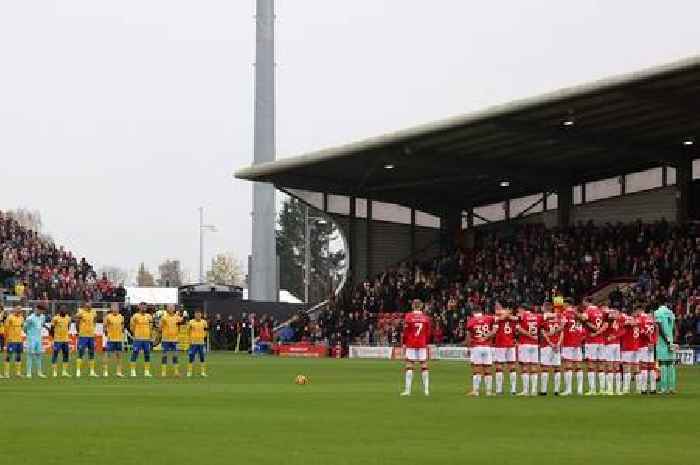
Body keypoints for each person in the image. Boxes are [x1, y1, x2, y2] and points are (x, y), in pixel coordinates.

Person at [400, 299, 432, 396]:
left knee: (409, 366)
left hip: (411, 343)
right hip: (422, 343)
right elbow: (428, 333)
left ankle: (407, 391)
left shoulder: (408, 317)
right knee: (424, 366)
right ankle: (426, 390)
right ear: (421, 306)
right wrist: (426, 343)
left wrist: (404, 344)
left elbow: (405, 332)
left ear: (413, 306)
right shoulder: (426, 318)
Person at [465, 305, 495, 396]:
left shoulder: (471, 320)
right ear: (481, 311)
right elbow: (494, 331)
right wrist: (486, 337)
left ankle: (476, 391)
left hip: (476, 347)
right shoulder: (488, 318)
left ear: (473, 312)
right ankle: (489, 391)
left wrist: (468, 347)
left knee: (476, 369)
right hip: (487, 347)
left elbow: (468, 336)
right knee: (488, 369)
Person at [581, 300, 608, 395]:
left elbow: (584, 320)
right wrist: (599, 331)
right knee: (601, 364)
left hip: (591, 341)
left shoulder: (587, 311)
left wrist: (595, 331)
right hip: (601, 341)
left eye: (584, 302)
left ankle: (592, 389)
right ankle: (602, 389)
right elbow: (606, 324)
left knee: (591, 364)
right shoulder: (601, 311)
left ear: (587, 302)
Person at [515, 304, 542, 396]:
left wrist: (529, 335)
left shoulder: (522, 316)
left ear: (522, 309)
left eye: (519, 309)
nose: (518, 311)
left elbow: (519, 330)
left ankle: (526, 391)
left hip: (524, 344)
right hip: (534, 345)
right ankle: (534, 390)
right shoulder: (538, 316)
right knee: (534, 366)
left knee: (525, 367)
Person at [492, 302, 518, 395]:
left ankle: (499, 390)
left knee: (499, 367)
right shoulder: (513, 319)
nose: (496, 309)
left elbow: (500, 316)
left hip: (500, 344)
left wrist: (503, 312)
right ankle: (513, 390)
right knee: (512, 367)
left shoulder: (497, 318)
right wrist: (507, 313)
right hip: (510, 344)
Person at [560, 304, 586, 396]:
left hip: (568, 343)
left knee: (568, 366)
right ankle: (579, 390)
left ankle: (568, 390)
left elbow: (562, 327)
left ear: (567, 304)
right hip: (577, 343)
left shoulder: (565, 313)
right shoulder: (579, 315)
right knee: (579, 367)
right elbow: (583, 328)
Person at [539, 304, 563, 395]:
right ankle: (556, 391)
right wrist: (558, 344)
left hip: (546, 346)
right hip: (557, 346)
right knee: (557, 368)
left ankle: (543, 391)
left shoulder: (543, 319)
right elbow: (561, 333)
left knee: (544, 368)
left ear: (544, 308)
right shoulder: (558, 318)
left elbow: (543, 333)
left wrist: (551, 344)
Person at [654, 303, 677, 394]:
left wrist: (666, 340)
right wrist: (672, 340)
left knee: (663, 364)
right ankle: (672, 387)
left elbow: (659, 327)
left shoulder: (658, 312)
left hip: (663, 342)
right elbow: (674, 327)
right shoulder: (671, 312)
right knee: (671, 364)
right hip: (671, 340)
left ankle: (663, 388)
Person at [603, 307, 626, 395]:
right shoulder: (618, 320)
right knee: (616, 366)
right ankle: (618, 390)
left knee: (610, 366)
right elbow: (623, 331)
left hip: (609, 345)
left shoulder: (607, 320)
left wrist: (613, 336)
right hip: (616, 345)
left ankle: (610, 389)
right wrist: (616, 336)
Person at [620, 306, 642, 394]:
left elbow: (624, 325)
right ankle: (639, 389)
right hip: (637, 347)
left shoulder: (628, 320)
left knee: (626, 368)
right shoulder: (639, 320)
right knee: (636, 368)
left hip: (628, 347)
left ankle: (626, 389)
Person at [23, 304, 47, 378]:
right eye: (41, 310)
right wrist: (29, 335)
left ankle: (39, 372)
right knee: (30, 355)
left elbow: (41, 325)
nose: (42, 312)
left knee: (39, 355)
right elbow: (25, 328)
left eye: (43, 311)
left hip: (39, 338)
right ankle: (28, 373)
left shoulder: (43, 317)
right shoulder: (30, 318)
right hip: (31, 338)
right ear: (37, 309)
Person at [75, 301, 98, 377]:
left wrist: (93, 328)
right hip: (83, 336)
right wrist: (78, 331)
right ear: (85, 306)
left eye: (90, 305)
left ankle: (92, 372)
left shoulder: (93, 312)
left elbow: (95, 320)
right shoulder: (81, 312)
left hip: (91, 336)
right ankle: (78, 371)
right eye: (88, 305)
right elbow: (76, 320)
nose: (89, 307)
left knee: (91, 353)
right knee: (81, 352)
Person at [129, 303, 153, 377]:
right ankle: (132, 371)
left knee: (147, 355)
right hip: (138, 338)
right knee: (135, 353)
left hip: (146, 339)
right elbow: (132, 327)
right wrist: (136, 334)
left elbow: (151, 327)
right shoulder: (135, 316)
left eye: (145, 306)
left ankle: (147, 371)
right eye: (142, 306)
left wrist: (150, 335)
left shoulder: (149, 316)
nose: (143, 308)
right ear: (139, 307)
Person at [637, 306, 658, 394]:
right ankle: (653, 389)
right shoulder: (653, 321)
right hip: (651, 345)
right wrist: (653, 342)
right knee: (652, 368)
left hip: (643, 345)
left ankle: (644, 389)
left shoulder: (641, 319)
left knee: (644, 368)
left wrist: (647, 337)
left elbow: (641, 332)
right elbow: (656, 333)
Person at [160, 305, 183, 377]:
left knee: (175, 355)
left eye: (172, 307)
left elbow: (182, 323)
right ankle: (163, 373)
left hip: (175, 339)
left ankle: (176, 372)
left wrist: (184, 316)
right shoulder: (164, 317)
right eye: (169, 307)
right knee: (164, 355)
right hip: (165, 339)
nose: (170, 308)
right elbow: (160, 328)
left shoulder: (177, 317)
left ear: (174, 309)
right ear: (167, 309)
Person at [103, 303, 125, 377]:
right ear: (111, 308)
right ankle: (105, 372)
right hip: (111, 339)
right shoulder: (108, 317)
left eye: (116, 307)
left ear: (118, 309)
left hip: (119, 339)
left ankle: (118, 372)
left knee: (119, 356)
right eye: (114, 307)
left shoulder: (121, 317)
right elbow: (105, 327)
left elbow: (122, 327)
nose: (115, 309)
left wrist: (121, 333)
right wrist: (107, 334)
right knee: (107, 355)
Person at [50, 306, 72, 377]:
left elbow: (68, 326)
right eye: (62, 310)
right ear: (60, 311)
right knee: (55, 354)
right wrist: (53, 338)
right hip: (57, 340)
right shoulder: (55, 318)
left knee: (66, 355)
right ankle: (54, 372)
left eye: (65, 310)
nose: (64, 311)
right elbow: (52, 329)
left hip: (65, 340)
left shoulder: (68, 318)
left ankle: (64, 372)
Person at [3, 306, 24, 378]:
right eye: (18, 309)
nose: (19, 310)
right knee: (9, 356)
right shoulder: (10, 317)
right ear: (14, 310)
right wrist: (7, 338)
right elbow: (6, 328)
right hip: (11, 340)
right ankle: (6, 373)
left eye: (20, 309)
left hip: (19, 340)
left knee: (18, 356)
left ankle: (18, 373)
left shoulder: (21, 318)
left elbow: (22, 327)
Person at [187, 310, 208, 377]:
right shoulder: (191, 322)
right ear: (194, 315)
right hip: (193, 343)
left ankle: (203, 372)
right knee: (191, 356)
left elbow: (206, 330)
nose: (198, 316)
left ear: (201, 315)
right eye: (197, 314)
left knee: (202, 357)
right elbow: (188, 331)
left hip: (201, 342)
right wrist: (190, 339)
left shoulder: (204, 322)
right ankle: (189, 372)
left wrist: (204, 337)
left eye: (199, 314)